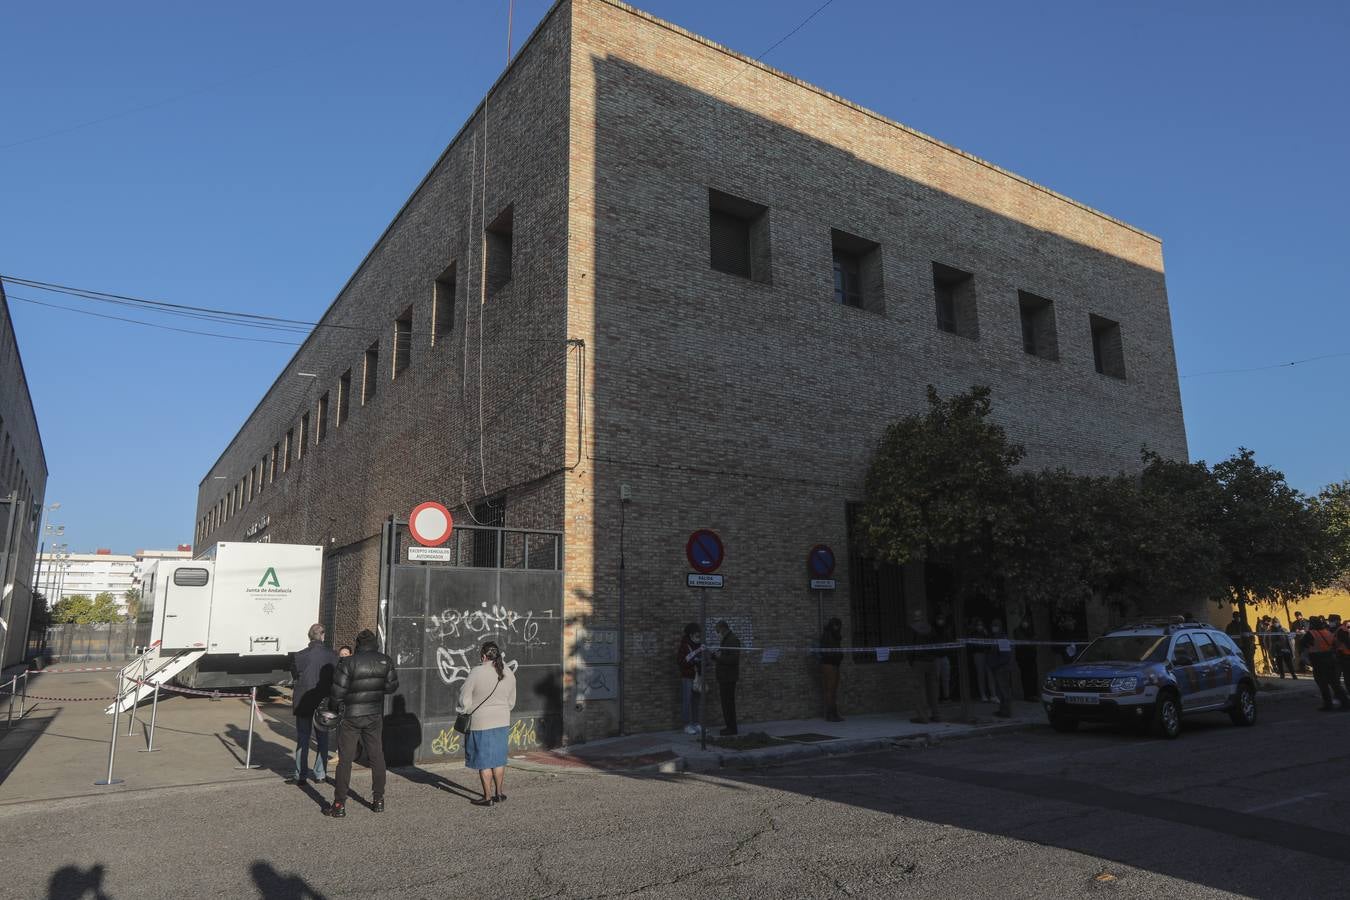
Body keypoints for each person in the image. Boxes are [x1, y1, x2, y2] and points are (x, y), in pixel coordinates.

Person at [325, 629, 398, 818]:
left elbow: (337, 693)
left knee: (345, 760)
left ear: (357, 644)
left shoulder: (348, 662)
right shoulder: (385, 660)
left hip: (351, 715)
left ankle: (339, 803)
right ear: (375, 644)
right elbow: (391, 687)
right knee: (377, 756)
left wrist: (333, 709)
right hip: (373, 713)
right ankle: (378, 800)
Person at [457, 641, 518, 807]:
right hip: (502, 720)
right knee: (498, 759)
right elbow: (511, 700)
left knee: (484, 761)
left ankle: (487, 797)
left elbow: (465, 697)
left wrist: (464, 709)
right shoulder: (508, 672)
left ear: (483, 656)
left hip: (481, 722)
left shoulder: (477, 672)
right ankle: (499, 793)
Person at [286, 623, 337, 786]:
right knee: (322, 738)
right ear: (322, 636)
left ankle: (300, 775)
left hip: (304, 701)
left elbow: (294, 675)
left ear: (309, 636)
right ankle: (320, 774)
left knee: (303, 737)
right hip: (323, 701)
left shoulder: (299, 655)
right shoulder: (332, 655)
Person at [1298, 617, 1348, 712]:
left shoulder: (1311, 633)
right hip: (1330, 659)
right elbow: (1335, 644)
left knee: (1322, 684)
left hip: (1318, 660)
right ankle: (1345, 702)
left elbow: (1302, 643)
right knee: (1335, 683)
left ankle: (1328, 704)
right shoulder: (1327, 632)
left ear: (1312, 624)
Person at [905, 608, 941, 724]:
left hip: (918, 662)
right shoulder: (930, 628)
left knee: (918, 690)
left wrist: (911, 662)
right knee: (933, 690)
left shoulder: (912, 629)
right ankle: (936, 715)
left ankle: (923, 717)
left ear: (913, 617)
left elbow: (910, 647)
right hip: (931, 661)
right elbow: (936, 644)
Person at [711, 620, 741, 736]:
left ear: (723, 628)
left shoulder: (732, 640)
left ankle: (731, 728)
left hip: (728, 677)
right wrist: (714, 656)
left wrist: (718, 658)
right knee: (726, 703)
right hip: (724, 676)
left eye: (718, 630)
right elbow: (724, 656)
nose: (718, 633)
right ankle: (729, 727)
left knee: (728, 703)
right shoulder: (726, 639)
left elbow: (733, 659)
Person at [676, 623, 704, 735]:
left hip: (697, 677)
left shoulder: (698, 645)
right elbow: (681, 661)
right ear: (691, 635)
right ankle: (686, 725)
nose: (698, 637)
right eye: (696, 635)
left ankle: (696, 723)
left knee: (696, 701)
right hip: (687, 677)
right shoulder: (684, 646)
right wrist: (695, 655)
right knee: (687, 701)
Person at [818, 617, 844, 722]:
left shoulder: (836, 635)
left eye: (838, 625)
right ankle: (830, 714)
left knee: (834, 689)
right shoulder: (827, 634)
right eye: (835, 625)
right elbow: (826, 649)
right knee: (830, 689)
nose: (837, 627)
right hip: (828, 663)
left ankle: (834, 713)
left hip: (835, 663)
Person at [988, 619, 1015, 718]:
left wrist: (994, 664)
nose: (994, 628)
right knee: (1000, 691)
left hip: (1002, 668)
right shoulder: (995, 637)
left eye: (996, 626)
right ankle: (1002, 710)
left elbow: (1006, 656)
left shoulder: (1002, 638)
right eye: (993, 626)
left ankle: (1007, 711)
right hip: (997, 668)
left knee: (1004, 691)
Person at [1013, 612, 1038, 701]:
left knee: (1033, 675)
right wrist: (1031, 641)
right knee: (1025, 676)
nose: (1025, 623)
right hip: (1022, 658)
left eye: (1027, 622)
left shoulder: (1031, 630)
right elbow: (1023, 641)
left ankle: (1034, 694)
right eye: (1024, 621)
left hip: (1031, 656)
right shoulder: (1017, 630)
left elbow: (1035, 640)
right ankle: (1027, 695)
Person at [968, 617, 994, 702]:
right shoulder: (973, 633)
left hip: (987, 654)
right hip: (978, 654)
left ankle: (993, 694)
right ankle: (983, 695)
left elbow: (990, 642)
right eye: (978, 625)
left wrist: (986, 635)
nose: (980, 626)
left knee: (990, 674)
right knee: (981, 674)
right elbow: (972, 645)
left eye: (981, 625)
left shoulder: (986, 633)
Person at [933, 611, 955, 701]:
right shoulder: (933, 630)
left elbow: (949, 641)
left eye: (942, 619)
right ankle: (936, 697)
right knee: (936, 678)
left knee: (946, 677)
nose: (940, 621)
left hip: (945, 656)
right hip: (936, 657)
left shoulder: (946, 631)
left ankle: (946, 696)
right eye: (939, 619)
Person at [1335, 617, 1350, 697]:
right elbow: (1347, 642)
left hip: (1344, 655)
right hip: (1344, 655)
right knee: (1346, 675)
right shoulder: (1343, 630)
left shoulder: (1342, 630)